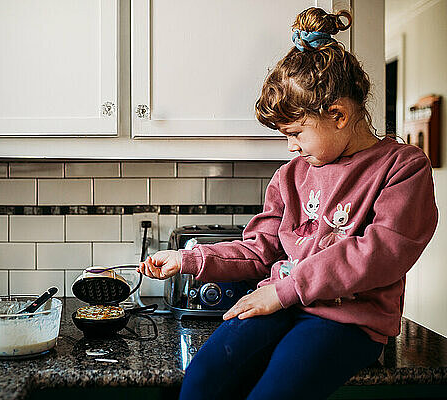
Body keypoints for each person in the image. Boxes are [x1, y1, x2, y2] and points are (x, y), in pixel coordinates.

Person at [137, 7, 439, 400]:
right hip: (281, 303)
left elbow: (379, 253)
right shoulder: (291, 174)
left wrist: (284, 290)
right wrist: (191, 259)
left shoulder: (402, 167)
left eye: (295, 132)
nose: (290, 146)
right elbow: (260, 249)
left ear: (339, 114)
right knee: (203, 379)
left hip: (347, 321)